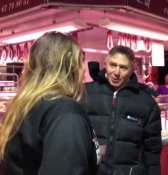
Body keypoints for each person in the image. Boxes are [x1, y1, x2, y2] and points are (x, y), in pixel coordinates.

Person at [0, 32, 100, 175]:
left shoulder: (24, 105)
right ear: (68, 66)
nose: (84, 69)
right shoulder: (65, 112)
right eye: (80, 61)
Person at [81, 45, 162, 175]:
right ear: (105, 64)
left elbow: (152, 151)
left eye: (123, 67)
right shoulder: (86, 93)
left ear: (132, 70)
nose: (117, 72)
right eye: (113, 65)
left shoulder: (147, 103)